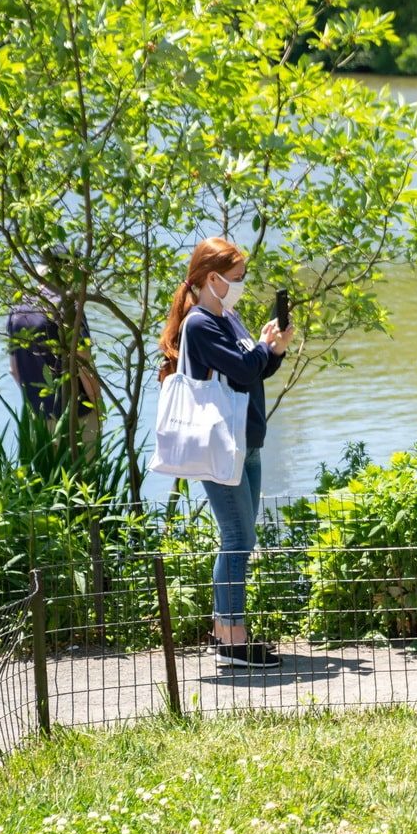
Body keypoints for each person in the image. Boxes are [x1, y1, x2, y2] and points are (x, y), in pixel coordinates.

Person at [157, 237, 291, 670]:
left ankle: (226, 633)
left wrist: (275, 348)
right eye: (235, 279)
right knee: (237, 539)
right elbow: (243, 366)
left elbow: (256, 370)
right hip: (221, 446)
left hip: (246, 443)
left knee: (242, 539)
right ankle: (233, 642)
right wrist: (260, 351)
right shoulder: (200, 324)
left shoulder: (227, 317)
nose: (241, 286)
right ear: (211, 279)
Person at [8, 250, 102, 447]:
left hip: (39, 420)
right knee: (84, 477)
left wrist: (37, 404)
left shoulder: (18, 309)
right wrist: (99, 409)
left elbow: (14, 371)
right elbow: (83, 365)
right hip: (78, 417)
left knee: (49, 477)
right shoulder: (68, 307)